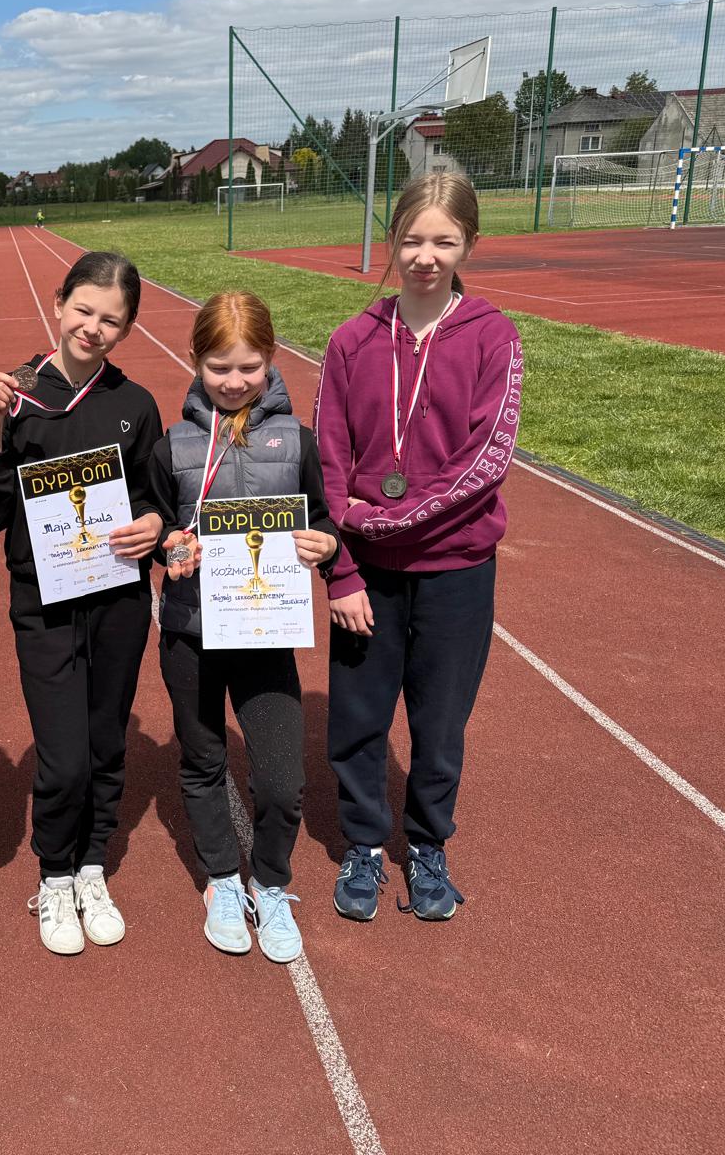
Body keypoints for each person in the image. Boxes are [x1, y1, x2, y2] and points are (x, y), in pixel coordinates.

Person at [312, 171, 523, 922]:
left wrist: (384, 520)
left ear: (470, 245)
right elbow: (329, 461)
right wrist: (342, 568)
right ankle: (365, 844)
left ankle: (429, 844)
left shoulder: (494, 336)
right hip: (367, 573)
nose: (425, 256)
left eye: (444, 241)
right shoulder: (352, 340)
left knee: (439, 723)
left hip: (456, 569)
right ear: (392, 240)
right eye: (411, 240)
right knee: (359, 717)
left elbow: (487, 460)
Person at [0, 250, 164, 956]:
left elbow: (155, 500)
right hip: (44, 606)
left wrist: (155, 524)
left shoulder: (134, 405)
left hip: (117, 597)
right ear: (58, 303)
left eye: (111, 320)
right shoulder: (11, 397)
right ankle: (54, 872)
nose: (93, 328)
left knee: (106, 743)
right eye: (83, 310)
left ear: (128, 328)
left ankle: (91, 865)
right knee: (63, 758)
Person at [149, 291, 339, 962]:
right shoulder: (172, 445)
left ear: (272, 359)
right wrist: (170, 547)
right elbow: (156, 529)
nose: (233, 381)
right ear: (195, 360)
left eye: (249, 367)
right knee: (203, 762)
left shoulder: (297, 440)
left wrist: (325, 543)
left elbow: (323, 517)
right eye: (218, 367)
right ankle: (222, 882)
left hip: (264, 635)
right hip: (191, 633)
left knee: (282, 780)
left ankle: (272, 881)